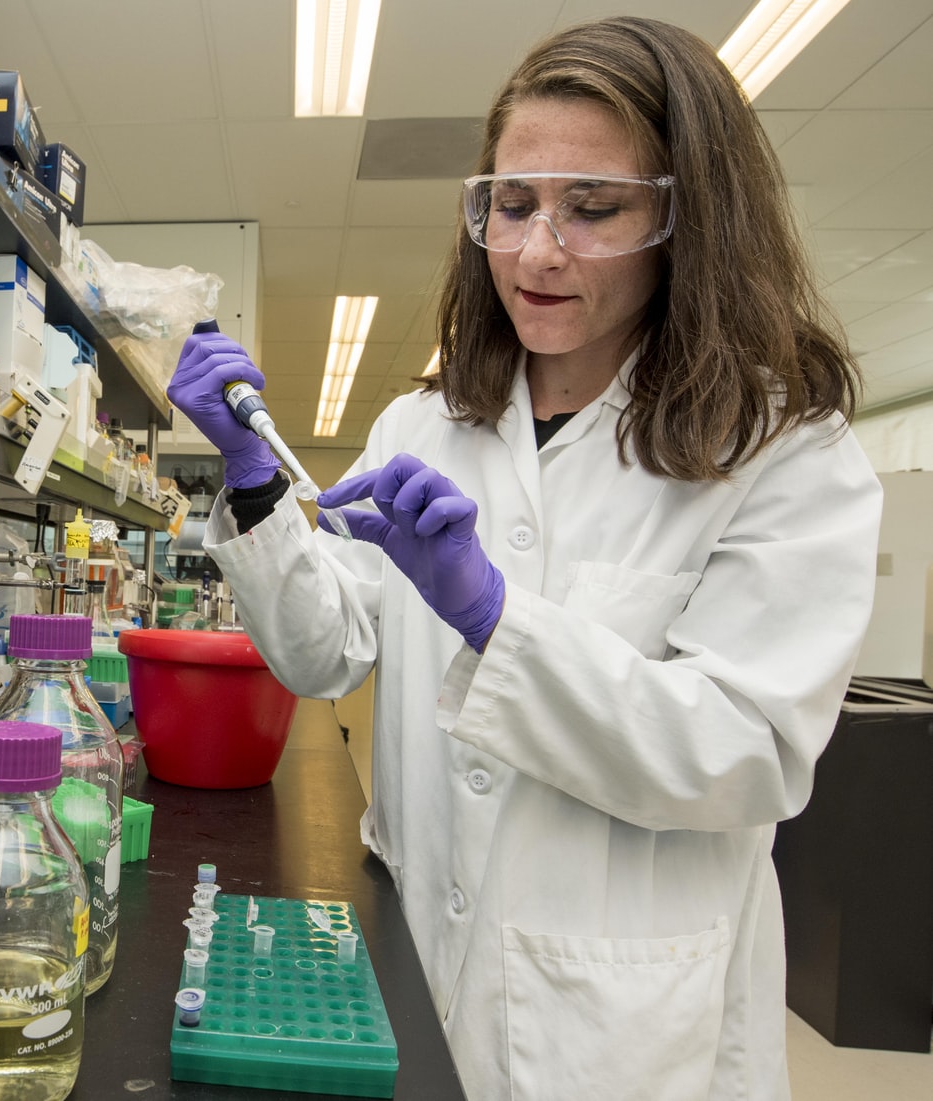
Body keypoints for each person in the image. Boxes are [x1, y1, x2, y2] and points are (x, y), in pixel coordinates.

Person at [168, 16, 881, 1101]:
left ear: (687, 222)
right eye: (512, 204)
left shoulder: (782, 449)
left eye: (593, 209)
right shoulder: (425, 424)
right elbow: (323, 653)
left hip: (627, 1033)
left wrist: (494, 619)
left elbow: (747, 753)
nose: (540, 251)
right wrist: (255, 478)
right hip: (411, 968)